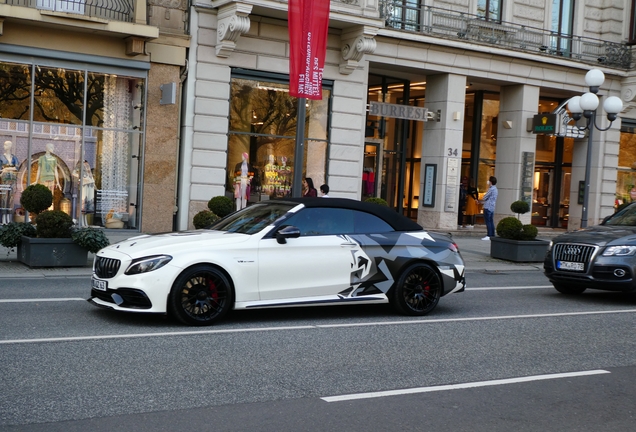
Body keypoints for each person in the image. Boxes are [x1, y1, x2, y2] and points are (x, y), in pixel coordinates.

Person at [1, 140, 20, 224]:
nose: (4, 146)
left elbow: (16, 168)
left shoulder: (14, 157)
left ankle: (9, 219)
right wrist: (8, 168)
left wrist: (6, 168)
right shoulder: (1, 157)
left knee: (11, 199)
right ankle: (3, 219)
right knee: (4, 199)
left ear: (10, 146)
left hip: (12, 180)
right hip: (4, 181)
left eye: (6, 145)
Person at [481, 176, 498, 240]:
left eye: (489, 181)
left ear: (491, 182)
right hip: (492, 207)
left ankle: (489, 235)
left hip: (488, 207)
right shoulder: (496, 189)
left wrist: (483, 198)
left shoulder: (491, 189)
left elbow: (485, 197)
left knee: (488, 221)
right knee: (491, 221)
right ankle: (492, 234)